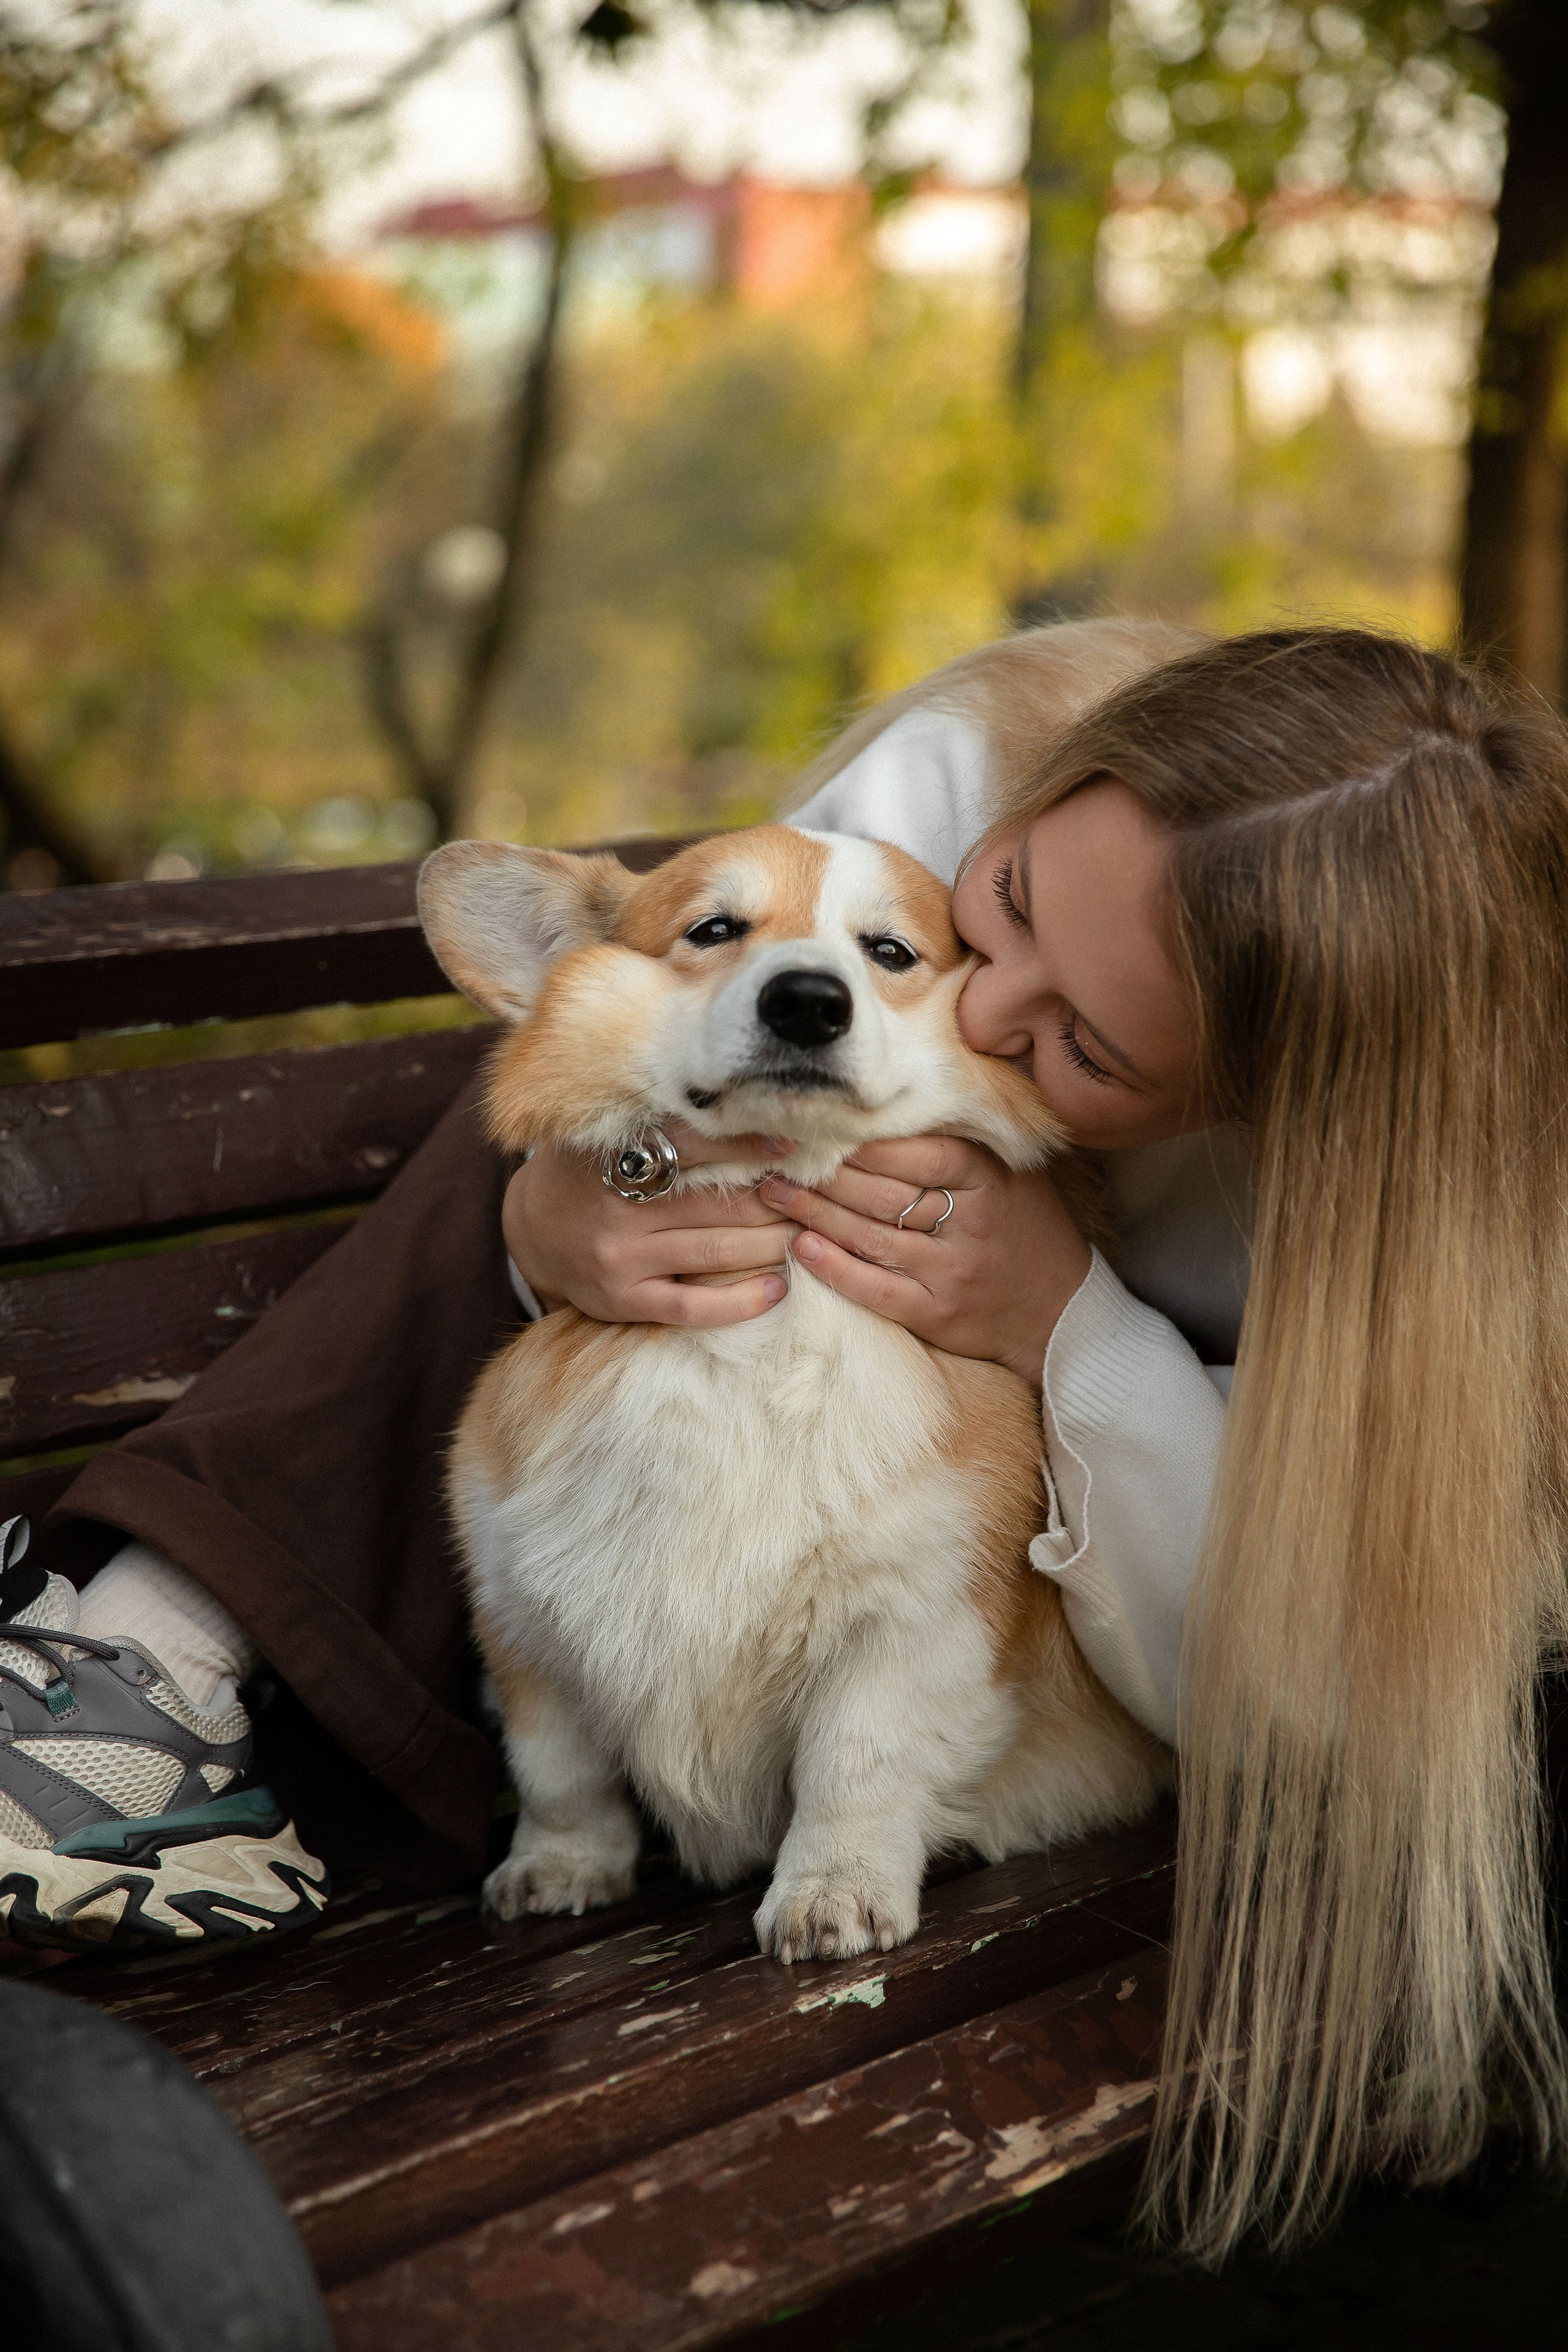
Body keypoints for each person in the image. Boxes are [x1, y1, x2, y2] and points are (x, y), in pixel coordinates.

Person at [6, 617, 1567, 2264]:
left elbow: (1279, 1669)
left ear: (1272, 1097)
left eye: (1087, 1047)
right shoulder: (960, 777)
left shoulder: (1451, 1230)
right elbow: (666, 1016)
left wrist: (1070, 1319)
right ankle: (142, 1652)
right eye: (1012, 902)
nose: (984, 1003)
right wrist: (563, 1213)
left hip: (1122, 1665)